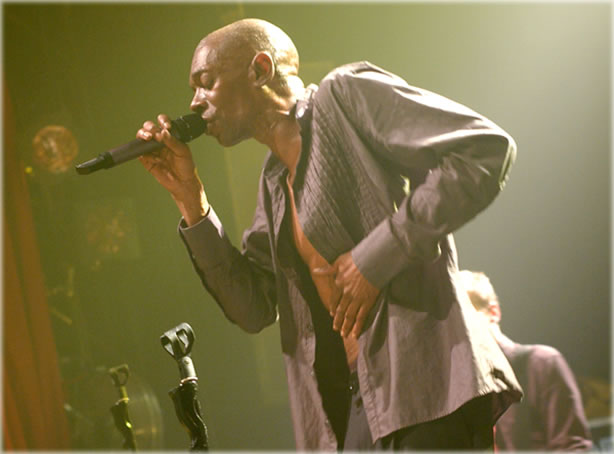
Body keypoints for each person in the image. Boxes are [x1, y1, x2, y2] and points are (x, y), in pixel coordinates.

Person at [137, 18, 523, 451]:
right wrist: (190, 197)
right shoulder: (273, 180)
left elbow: (484, 150)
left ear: (259, 69)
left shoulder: (344, 96)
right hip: (350, 410)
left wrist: (375, 259)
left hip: (424, 391)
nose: (195, 102)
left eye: (206, 82)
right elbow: (253, 307)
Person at [459, 270, 594, 450]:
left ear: (494, 312)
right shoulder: (463, 387)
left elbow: (572, 447)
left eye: (464, 317)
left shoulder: (542, 363)